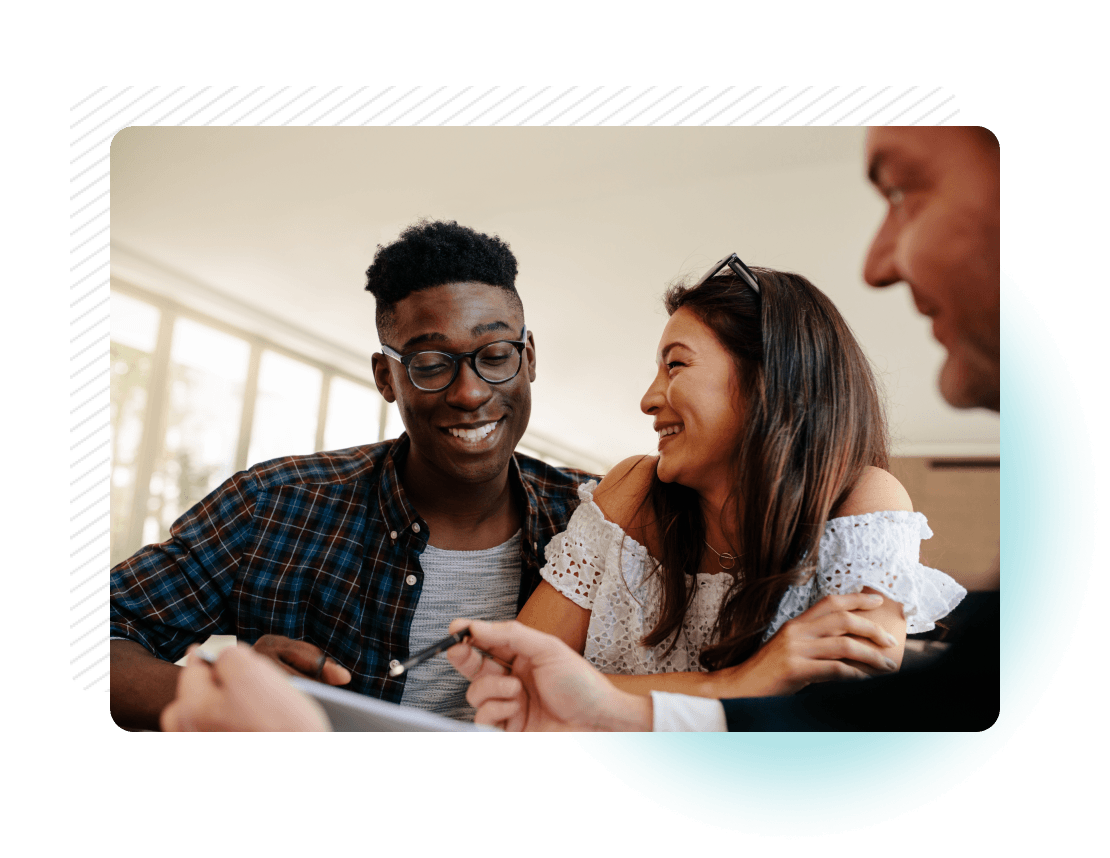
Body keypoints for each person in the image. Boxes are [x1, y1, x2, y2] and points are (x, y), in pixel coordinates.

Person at [447, 125, 1000, 731]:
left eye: (675, 364)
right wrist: (747, 679)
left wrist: (596, 692)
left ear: (769, 379)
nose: (648, 399)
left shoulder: (861, 503)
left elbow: (840, 715)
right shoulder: (630, 490)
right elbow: (512, 682)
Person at [111, 219, 595, 730]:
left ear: (529, 358)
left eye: (496, 355)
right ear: (386, 378)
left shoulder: (600, 521)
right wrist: (218, 697)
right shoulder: (273, 506)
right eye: (430, 364)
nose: (470, 393)